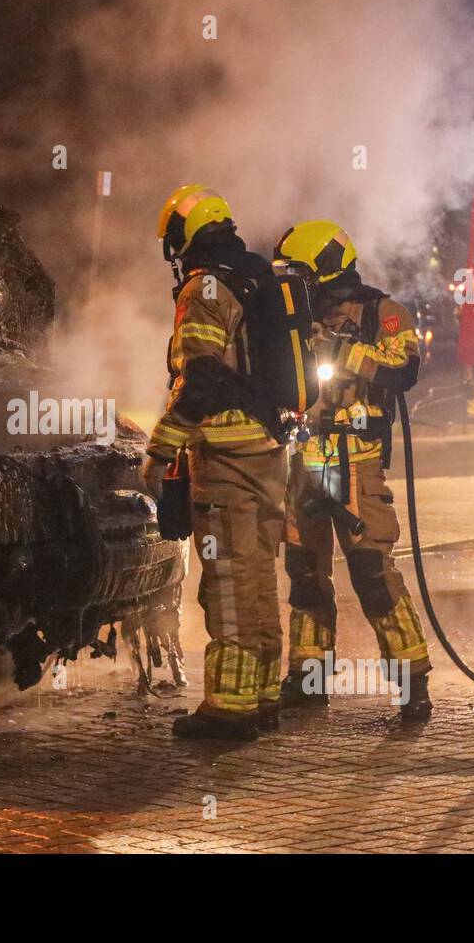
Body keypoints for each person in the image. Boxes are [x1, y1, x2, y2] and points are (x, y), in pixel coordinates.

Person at [140, 185, 289, 741]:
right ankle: (263, 695)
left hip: (225, 456)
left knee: (226, 580)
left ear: (186, 232)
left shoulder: (204, 287)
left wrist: (160, 448)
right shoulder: (255, 275)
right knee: (255, 576)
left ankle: (229, 709)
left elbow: (199, 378)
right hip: (270, 452)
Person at [273, 220, 433, 721]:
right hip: (305, 463)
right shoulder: (292, 315)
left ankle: (412, 682)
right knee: (305, 574)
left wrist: (340, 350)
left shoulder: (383, 313)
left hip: (356, 463)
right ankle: (308, 676)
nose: (292, 282)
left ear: (324, 267)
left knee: (371, 571)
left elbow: (403, 369)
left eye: (299, 272)